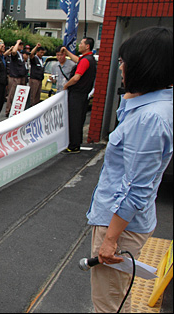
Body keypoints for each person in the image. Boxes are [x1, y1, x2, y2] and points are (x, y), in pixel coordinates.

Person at [86, 26, 173, 313]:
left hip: (120, 227)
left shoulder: (149, 118)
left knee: (108, 304)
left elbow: (137, 189)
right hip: (125, 221)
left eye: (125, 61)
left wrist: (110, 240)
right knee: (114, 297)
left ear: (145, 66)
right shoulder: (151, 105)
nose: (121, 68)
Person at [62, 37, 97, 153]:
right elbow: (78, 60)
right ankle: (76, 143)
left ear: (87, 46)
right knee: (79, 118)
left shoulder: (86, 61)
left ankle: (73, 146)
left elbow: (77, 77)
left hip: (77, 94)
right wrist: (67, 52)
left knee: (74, 120)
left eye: (81, 43)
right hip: (83, 95)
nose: (79, 45)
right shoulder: (88, 59)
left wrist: (66, 85)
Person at [6, 39, 27, 117]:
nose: (21, 46)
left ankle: (16, 110)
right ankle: (8, 110)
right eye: (20, 45)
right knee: (12, 94)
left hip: (21, 76)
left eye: (22, 45)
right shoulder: (15, 54)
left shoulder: (21, 54)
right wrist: (17, 43)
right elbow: (14, 52)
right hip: (14, 77)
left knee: (19, 95)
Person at [28, 43, 46, 108]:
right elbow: (31, 54)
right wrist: (36, 47)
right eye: (41, 53)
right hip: (34, 79)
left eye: (43, 53)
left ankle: (35, 107)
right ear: (37, 52)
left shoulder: (42, 60)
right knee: (33, 95)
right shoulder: (34, 59)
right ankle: (31, 107)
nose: (42, 54)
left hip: (40, 79)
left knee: (37, 96)